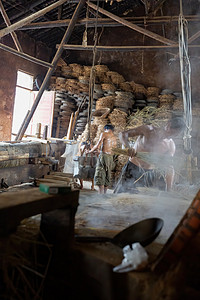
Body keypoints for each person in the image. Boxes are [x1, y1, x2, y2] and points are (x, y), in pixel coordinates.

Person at [114, 117, 185, 193]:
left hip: (150, 174)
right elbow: (123, 134)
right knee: (121, 197)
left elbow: (169, 167)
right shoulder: (148, 130)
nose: (173, 136)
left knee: (145, 202)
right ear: (168, 125)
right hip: (132, 169)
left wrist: (169, 189)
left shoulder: (170, 145)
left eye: (176, 134)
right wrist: (128, 147)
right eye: (173, 132)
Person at [87, 124, 117, 194]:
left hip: (104, 157)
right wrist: (100, 151)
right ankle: (104, 195)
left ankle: (100, 196)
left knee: (100, 174)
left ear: (105, 129)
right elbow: (111, 149)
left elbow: (98, 145)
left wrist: (90, 151)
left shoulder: (104, 133)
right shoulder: (114, 137)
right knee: (107, 175)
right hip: (110, 158)